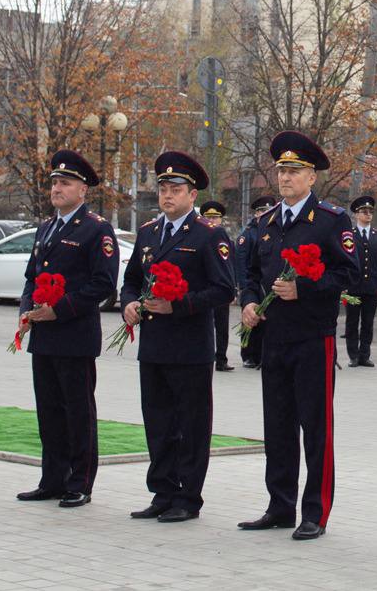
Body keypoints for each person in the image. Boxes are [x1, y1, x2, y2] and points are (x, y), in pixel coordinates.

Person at [237, 131, 358, 540]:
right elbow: (252, 273)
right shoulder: (267, 222)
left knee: (316, 427)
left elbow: (349, 275)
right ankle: (279, 505)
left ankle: (315, 512)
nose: (285, 178)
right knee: (278, 426)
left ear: (311, 177)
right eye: (281, 171)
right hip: (274, 338)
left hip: (313, 337)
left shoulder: (330, 221)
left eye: (294, 171)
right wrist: (251, 302)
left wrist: (304, 288)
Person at [121, 152, 235, 523]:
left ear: (192, 194)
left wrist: (180, 305)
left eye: (176, 189)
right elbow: (132, 281)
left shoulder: (208, 234)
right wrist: (129, 305)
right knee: (157, 422)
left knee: (190, 425)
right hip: (154, 345)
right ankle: (162, 491)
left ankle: (188, 497)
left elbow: (223, 290)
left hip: (189, 346)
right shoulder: (149, 233)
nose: (168, 195)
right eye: (163, 189)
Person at [15, 150, 118, 509]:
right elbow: (32, 276)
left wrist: (56, 311)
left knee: (77, 412)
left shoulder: (96, 229)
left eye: (66, 183)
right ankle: (52, 479)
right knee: (49, 411)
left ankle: (80, 482)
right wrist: (27, 308)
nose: (57, 188)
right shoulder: (47, 227)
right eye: (55, 182)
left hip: (73, 334)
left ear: (83, 190)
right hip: (43, 336)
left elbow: (102, 285)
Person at [345, 194, 377, 368]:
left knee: (368, 323)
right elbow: (345, 261)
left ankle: (365, 355)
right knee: (352, 322)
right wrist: (343, 285)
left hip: (371, 286)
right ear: (356, 214)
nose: (368, 214)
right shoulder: (349, 235)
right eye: (364, 211)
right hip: (353, 286)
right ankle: (353, 356)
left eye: (370, 211)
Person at [235, 195, 277, 369]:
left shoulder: (272, 229)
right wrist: (244, 288)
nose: (263, 213)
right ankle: (247, 354)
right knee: (249, 320)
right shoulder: (249, 233)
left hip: (266, 285)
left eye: (267, 210)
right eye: (261, 210)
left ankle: (259, 354)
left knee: (262, 321)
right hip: (251, 285)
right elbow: (242, 262)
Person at [200, 200, 235, 372]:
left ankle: (221, 358)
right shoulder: (199, 237)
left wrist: (233, 288)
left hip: (221, 289)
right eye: (209, 217)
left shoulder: (224, 238)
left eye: (216, 217)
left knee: (222, 326)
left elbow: (231, 265)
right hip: (203, 289)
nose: (212, 221)